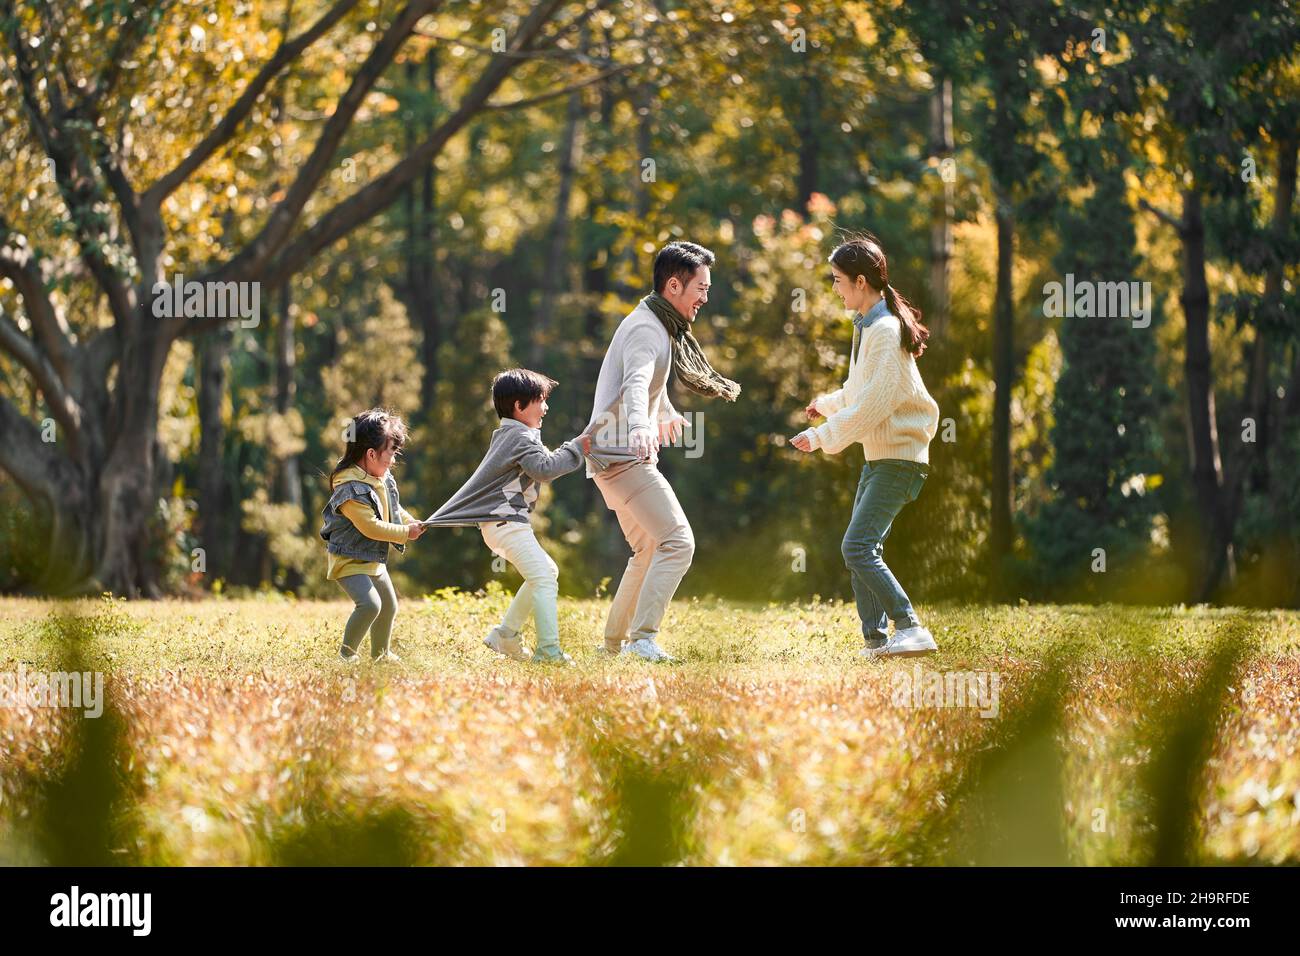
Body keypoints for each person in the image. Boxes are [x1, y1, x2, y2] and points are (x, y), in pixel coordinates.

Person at [584, 241, 741, 662]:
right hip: (622, 457)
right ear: (674, 285)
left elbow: (649, 380)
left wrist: (665, 411)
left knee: (649, 549)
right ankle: (643, 639)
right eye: (701, 289)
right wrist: (639, 425)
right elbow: (634, 382)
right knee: (679, 542)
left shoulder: (655, 323)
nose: (706, 298)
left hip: (606, 456)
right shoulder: (646, 329)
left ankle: (614, 644)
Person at [791, 233, 940, 659]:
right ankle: (876, 642)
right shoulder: (873, 327)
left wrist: (821, 437)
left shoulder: (886, 330)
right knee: (862, 551)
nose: (835, 288)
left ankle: (911, 627)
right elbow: (861, 389)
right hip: (882, 458)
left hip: (900, 460)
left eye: (838, 280)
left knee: (856, 547)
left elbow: (876, 404)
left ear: (860, 281)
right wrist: (826, 404)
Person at [423, 369, 590, 665]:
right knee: (544, 580)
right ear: (518, 405)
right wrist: (575, 448)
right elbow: (544, 469)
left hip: (502, 526)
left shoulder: (511, 434)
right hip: (507, 525)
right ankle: (548, 651)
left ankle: (506, 635)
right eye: (541, 400)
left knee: (546, 573)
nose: (546, 407)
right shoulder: (519, 436)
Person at [319, 408, 424, 662]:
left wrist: (410, 522)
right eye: (391, 452)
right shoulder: (351, 489)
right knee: (370, 606)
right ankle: (346, 657)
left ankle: (381, 655)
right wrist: (404, 533)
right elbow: (371, 526)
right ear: (370, 453)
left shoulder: (380, 477)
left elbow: (393, 507)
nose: (394, 459)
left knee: (388, 606)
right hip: (350, 560)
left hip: (371, 558)